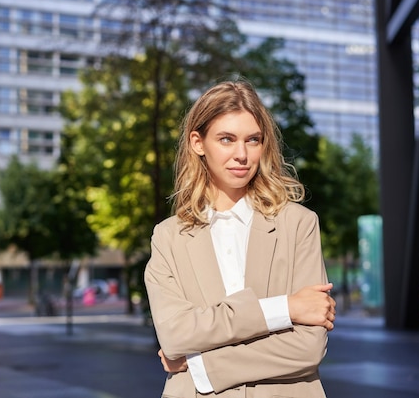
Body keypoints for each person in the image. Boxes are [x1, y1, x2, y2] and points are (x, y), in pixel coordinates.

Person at [144, 79, 336, 398]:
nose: (242, 154)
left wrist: (202, 362)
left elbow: (307, 347)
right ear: (198, 142)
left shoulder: (299, 224)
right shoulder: (168, 237)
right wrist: (285, 308)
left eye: (253, 140)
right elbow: (176, 336)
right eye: (227, 139)